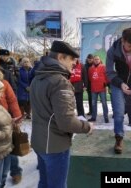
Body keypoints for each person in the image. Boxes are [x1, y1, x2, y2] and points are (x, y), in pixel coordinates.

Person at [30, 40, 93, 187]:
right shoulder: (59, 82)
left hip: (40, 142)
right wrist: (87, 126)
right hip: (55, 146)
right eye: (71, 59)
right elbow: (66, 122)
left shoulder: (37, 78)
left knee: (44, 183)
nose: (74, 63)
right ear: (60, 57)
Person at [88, 55, 109, 123]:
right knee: (93, 103)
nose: (96, 60)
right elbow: (90, 78)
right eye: (95, 59)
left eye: (97, 59)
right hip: (94, 88)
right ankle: (94, 117)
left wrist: (105, 83)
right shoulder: (90, 68)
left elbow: (107, 76)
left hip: (102, 88)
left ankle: (106, 117)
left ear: (100, 60)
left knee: (104, 103)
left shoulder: (103, 67)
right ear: (93, 60)